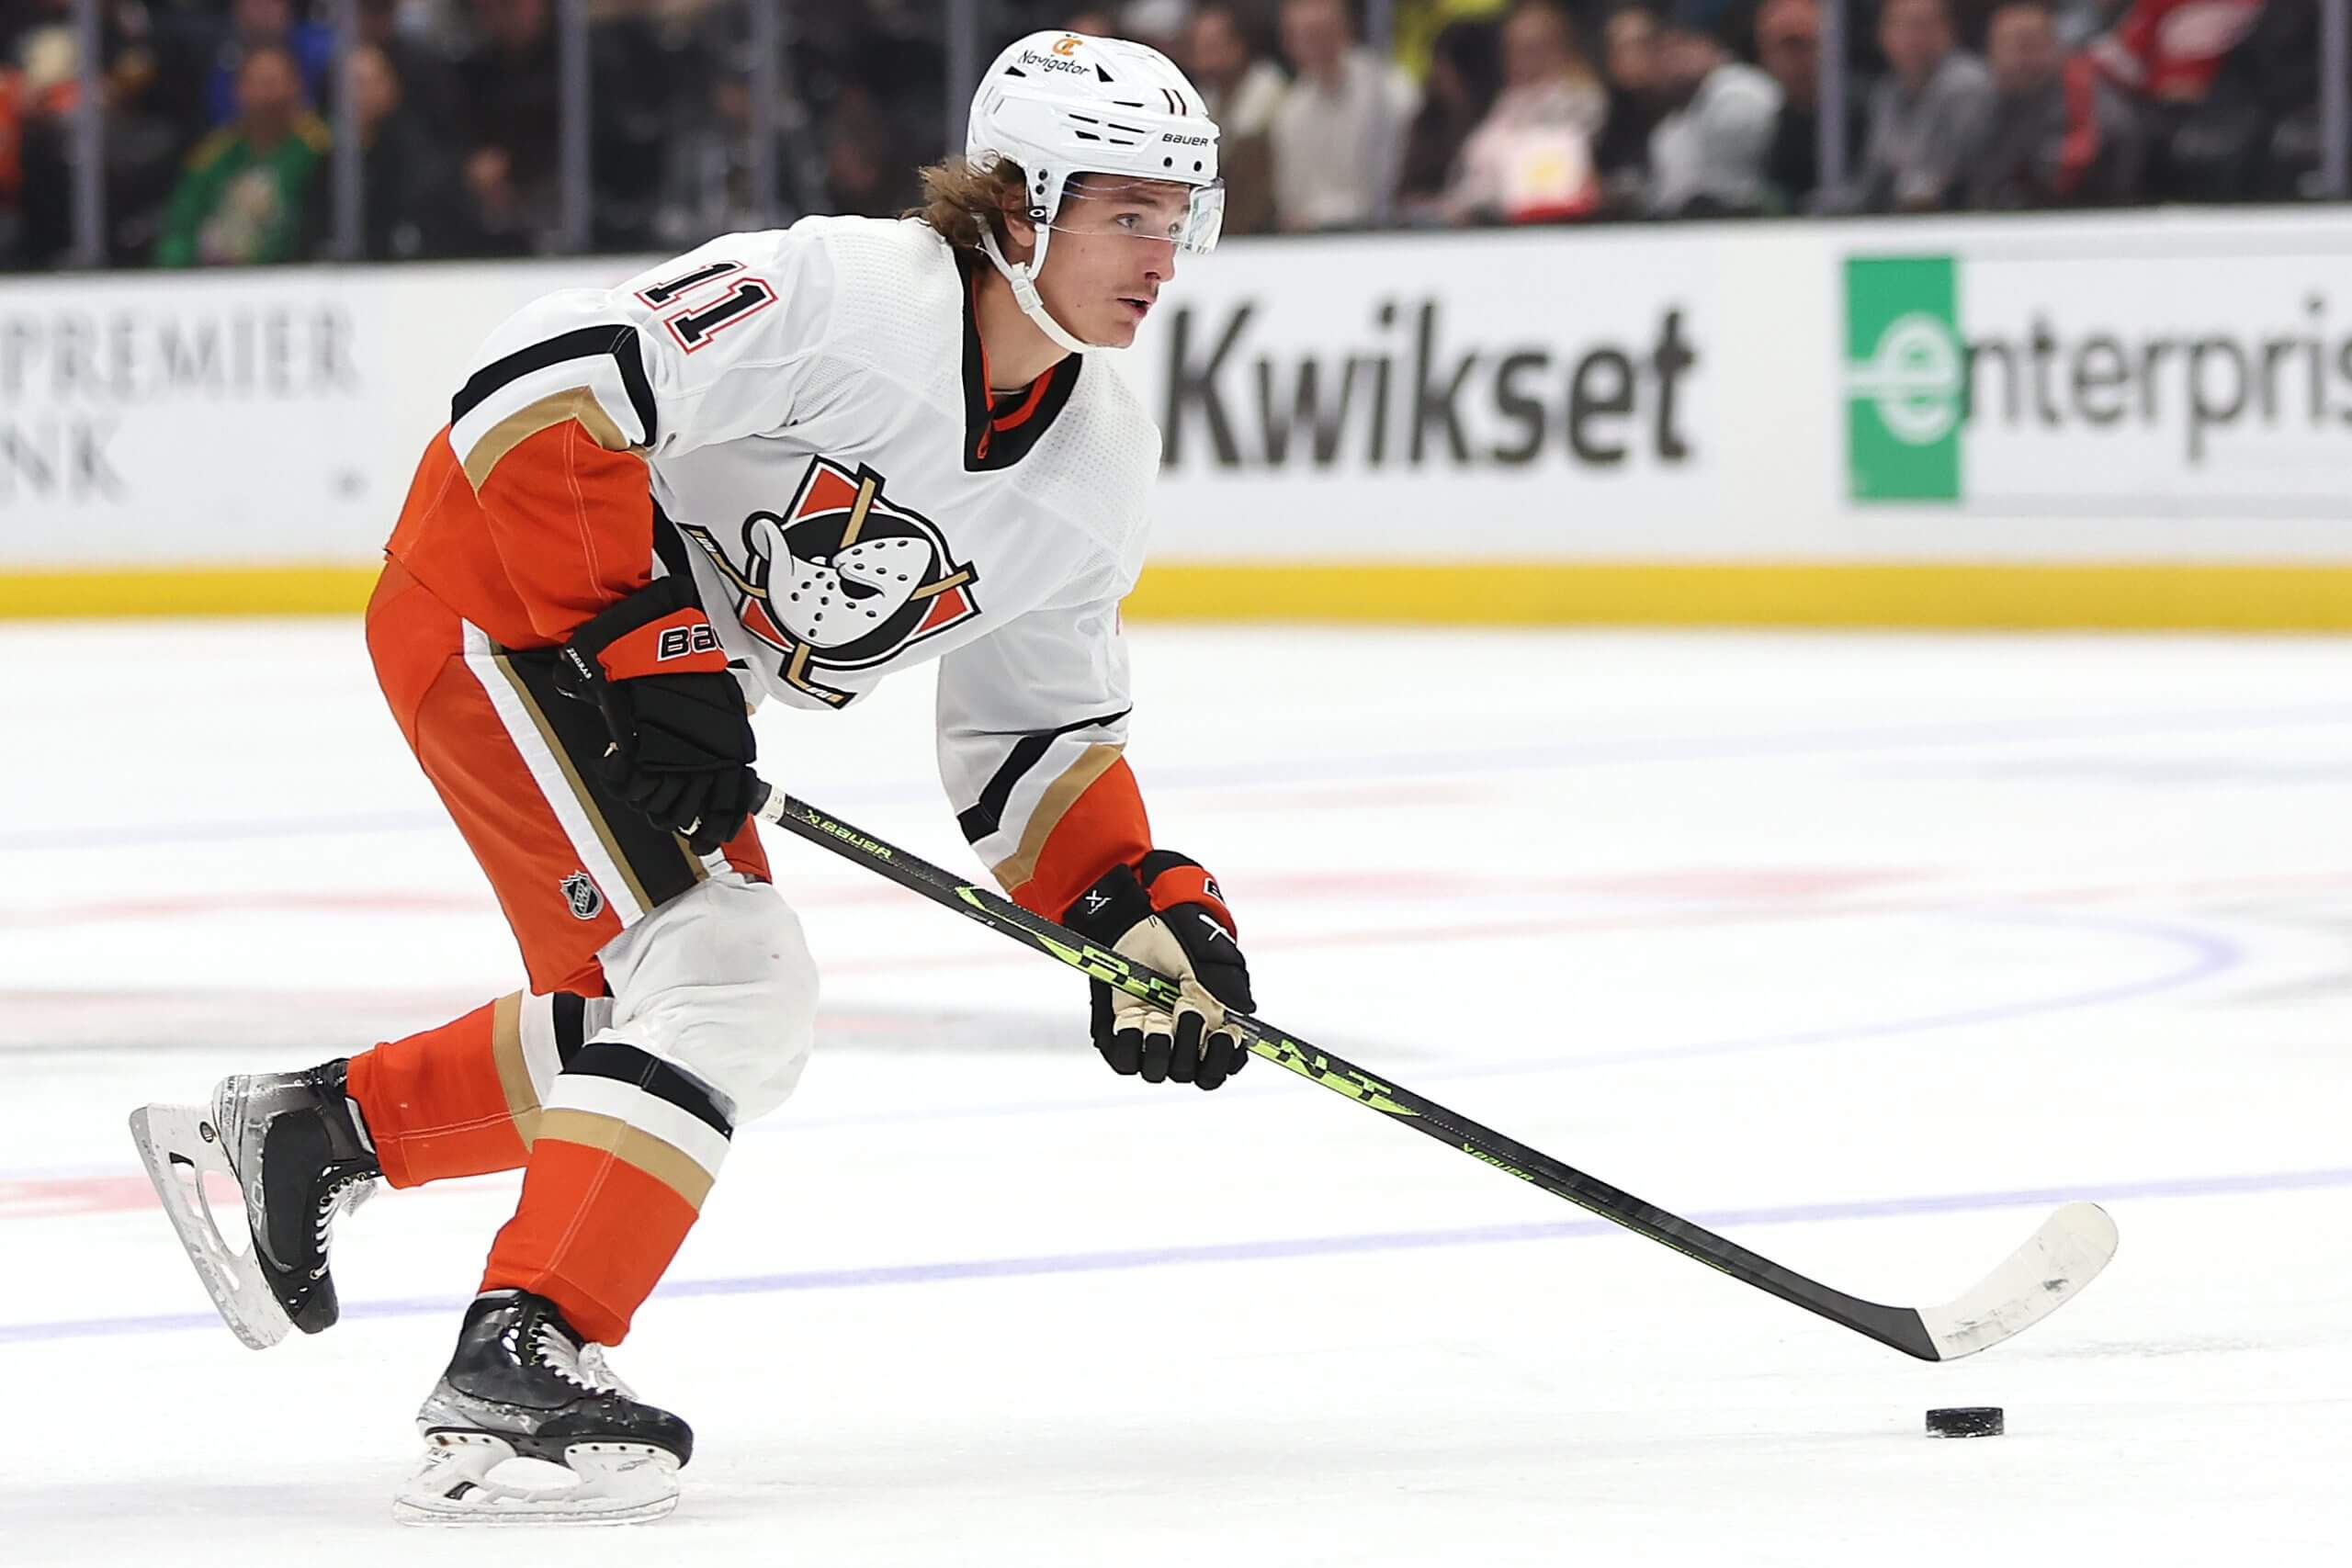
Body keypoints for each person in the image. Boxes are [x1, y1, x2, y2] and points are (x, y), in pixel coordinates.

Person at [133, 28, 1254, 1526]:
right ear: (1015, 204)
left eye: (1181, 216)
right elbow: (535, 378)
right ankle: (521, 1353)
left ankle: (319, 1131)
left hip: (624, 676)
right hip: (499, 596)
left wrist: (1129, 903)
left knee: (688, 1018)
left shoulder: (1098, 466)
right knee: (729, 980)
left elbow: (1032, 741)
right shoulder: (849, 293)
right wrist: (648, 636)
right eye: (1130, 211)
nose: (1163, 252)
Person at [153, 41, 327, 266]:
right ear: (237, 90)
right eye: (256, 84)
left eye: (273, 83)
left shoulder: (321, 148)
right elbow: (179, 232)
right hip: (218, 283)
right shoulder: (212, 157)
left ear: (296, 86)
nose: (266, 95)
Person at [1440, 0, 1605, 224]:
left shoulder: (1583, 103)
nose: (1522, 61)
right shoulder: (1503, 107)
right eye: (1514, 50)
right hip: (1490, 229)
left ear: (1562, 49)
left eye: (1533, 49)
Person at [1966, 0, 2142, 209]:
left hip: (2083, 213)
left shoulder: (2083, 92)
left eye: (2033, 45)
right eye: (2013, 45)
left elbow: (2098, 158)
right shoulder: (1977, 100)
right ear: (1991, 51)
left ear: (2055, 47)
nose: (2023, 58)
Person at [1271, 0, 1420, 229]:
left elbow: (1398, 175)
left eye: (1320, 33)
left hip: (1379, 229)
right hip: (1310, 236)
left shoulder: (1389, 90)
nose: (1314, 45)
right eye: (1303, 36)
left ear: (1343, 29)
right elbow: (1291, 195)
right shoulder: (1291, 110)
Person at [1837, 0, 1995, 212]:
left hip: (1962, 217)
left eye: (1920, 25)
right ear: (1883, 36)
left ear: (1947, 32)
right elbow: (1874, 175)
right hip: (1901, 218)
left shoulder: (1967, 84)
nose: (1912, 38)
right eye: (1900, 26)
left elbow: (1950, 174)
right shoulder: (1887, 92)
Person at [1644, 1, 1781, 217]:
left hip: (1744, 224)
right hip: (1682, 233)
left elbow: (1731, 185)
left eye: (1682, 45)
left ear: (1712, 46)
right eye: (1667, 49)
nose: (1673, 59)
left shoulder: (1740, 89)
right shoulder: (1673, 123)